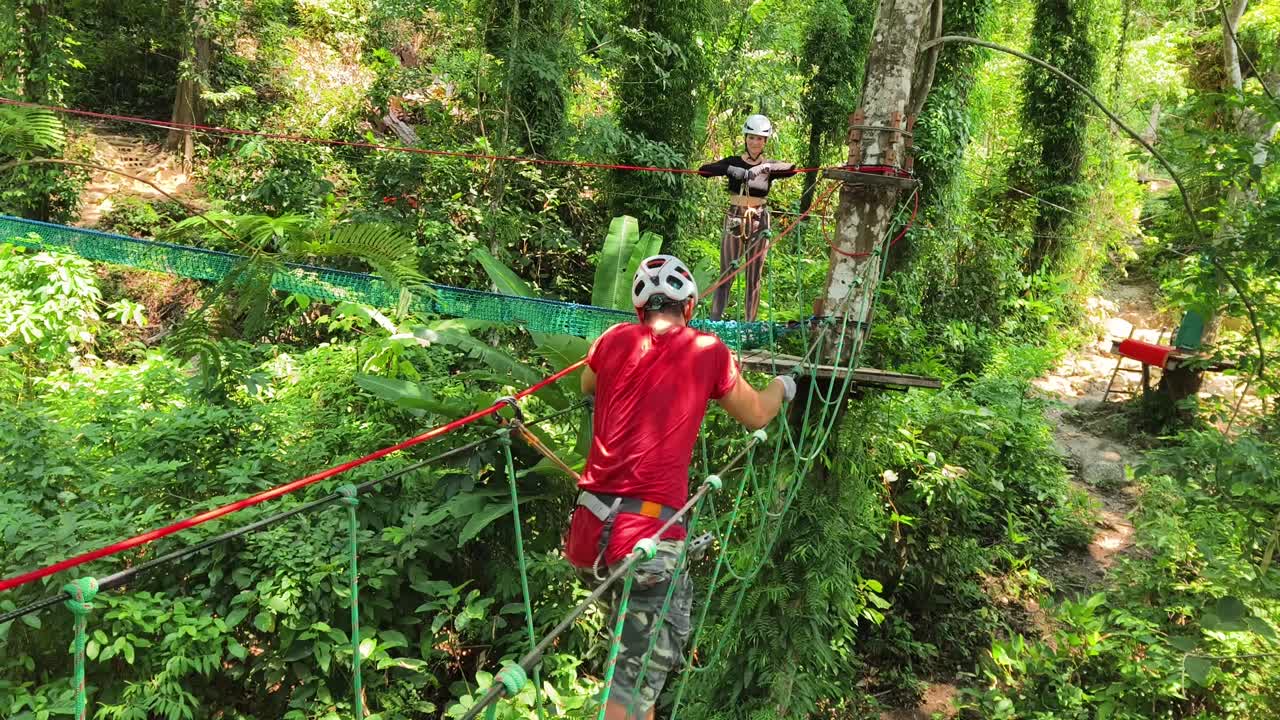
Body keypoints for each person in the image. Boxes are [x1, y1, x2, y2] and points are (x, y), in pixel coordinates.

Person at [563, 254, 796, 720]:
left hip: (589, 537)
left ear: (639, 309)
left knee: (633, 668)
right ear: (689, 307)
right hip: (646, 542)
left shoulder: (611, 341)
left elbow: (586, 383)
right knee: (629, 688)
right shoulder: (707, 351)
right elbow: (756, 415)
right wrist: (784, 386)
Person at [697, 114, 799, 322]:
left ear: (765, 142)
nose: (755, 142)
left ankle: (749, 325)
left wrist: (766, 168)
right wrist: (728, 169)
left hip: (759, 219)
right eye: (751, 137)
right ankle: (715, 321)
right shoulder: (734, 161)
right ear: (746, 138)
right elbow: (704, 170)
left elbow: (792, 169)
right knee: (727, 272)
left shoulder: (769, 166)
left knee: (754, 276)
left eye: (760, 139)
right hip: (736, 217)